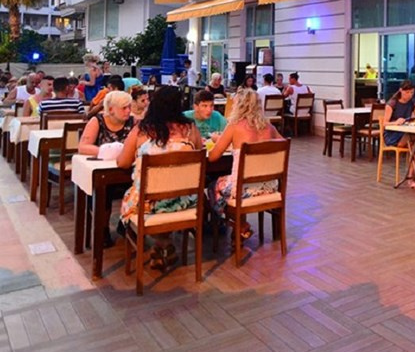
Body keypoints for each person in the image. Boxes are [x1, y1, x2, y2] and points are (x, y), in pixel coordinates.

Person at [117, 86, 203, 269]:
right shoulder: (190, 129)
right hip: (185, 201)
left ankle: (160, 244)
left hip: (149, 204)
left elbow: (123, 163)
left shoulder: (141, 130)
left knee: (130, 198)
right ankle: (163, 244)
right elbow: (199, 154)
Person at [207, 89, 283, 240]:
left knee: (212, 186)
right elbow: (283, 146)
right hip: (269, 187)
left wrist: (219, 141)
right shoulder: (270, 127)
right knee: (227, 184)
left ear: (238, 105)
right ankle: (240, 225)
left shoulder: (234, 126)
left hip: (242, 189)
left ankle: (235, 224)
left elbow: (213, 157)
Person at [79, 90, 135, 156]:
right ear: (111, 109)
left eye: (129, 107)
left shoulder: (134, 122)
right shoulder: (97, 121)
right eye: (124, 108)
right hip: (102, 160)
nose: (128, 111)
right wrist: (110, 152)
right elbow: (83, 147)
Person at [381, 81, 415, 148]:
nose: (410, 95)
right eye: (407, 92)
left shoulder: (412, 102)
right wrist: (396, 122)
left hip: (405, 131)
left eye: (412, 92)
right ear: (401, 90)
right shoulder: (392, 103)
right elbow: (384, 123)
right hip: (392, 134)